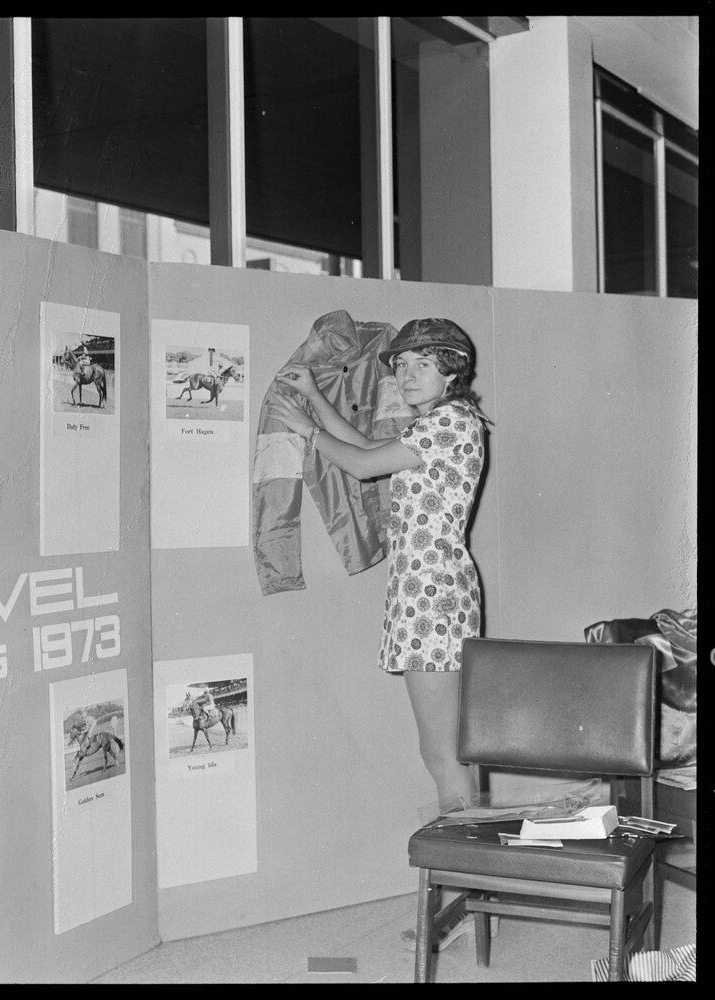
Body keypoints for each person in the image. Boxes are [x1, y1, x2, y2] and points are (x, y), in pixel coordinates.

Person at [271, 317, 492, 951]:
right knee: (445, 753)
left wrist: (305, 427)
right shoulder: (436, 424)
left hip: (433, 595)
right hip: (423, 592)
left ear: (452, 372)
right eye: (401, 365)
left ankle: (466, 901)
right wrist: (314, 397)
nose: (407, 375)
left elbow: (363, 463)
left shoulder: (452, 423)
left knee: (444, 756)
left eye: (423, 364)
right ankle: (469, 897)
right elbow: (368, 446)